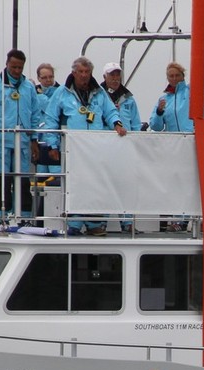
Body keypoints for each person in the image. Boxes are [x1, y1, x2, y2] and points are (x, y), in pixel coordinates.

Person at [42, 56, 127, 236]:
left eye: (87, 72)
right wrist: (52, 146)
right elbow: (51, 119)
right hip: (72, 148)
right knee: (75, 184)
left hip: (95, 148)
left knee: (96, 185)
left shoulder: (99, 93)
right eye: (80, 72)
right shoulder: (62, 92)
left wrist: (117, 123)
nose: (83, 75)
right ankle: (74, 223)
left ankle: (93, 224)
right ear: (73, 73)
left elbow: (110, 111)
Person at [0, 49, 41, 218]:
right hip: (1, 141)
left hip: (23, 141)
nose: (17, 71)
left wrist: (34, 139)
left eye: (20, 67)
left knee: (23, 181)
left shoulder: (28, 87)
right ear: (7, 64)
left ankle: (24, 216)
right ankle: (0, 216)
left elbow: (35, 114)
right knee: (2, 180)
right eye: (14, 67)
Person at [102, 62, 142, 232]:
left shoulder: (129, 98)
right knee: (105, 185)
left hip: (125, 149)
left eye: (118, 75)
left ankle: (127, 222)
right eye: (112, 75)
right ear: (105, 77)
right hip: (105, 148)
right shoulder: (97, 96)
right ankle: (100, 222)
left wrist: (136, 144)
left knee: (125, 185)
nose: (115, 78)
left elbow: (136, 124)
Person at [34, 63, 62, 181]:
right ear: (39, 78)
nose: (48, 80)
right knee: (41, 177)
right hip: (39, 141)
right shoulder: (33, 93)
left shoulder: (61, 93)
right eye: (44, 78)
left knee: (56, 177)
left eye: (50, 77)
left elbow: (53, 111)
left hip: (55, 141)